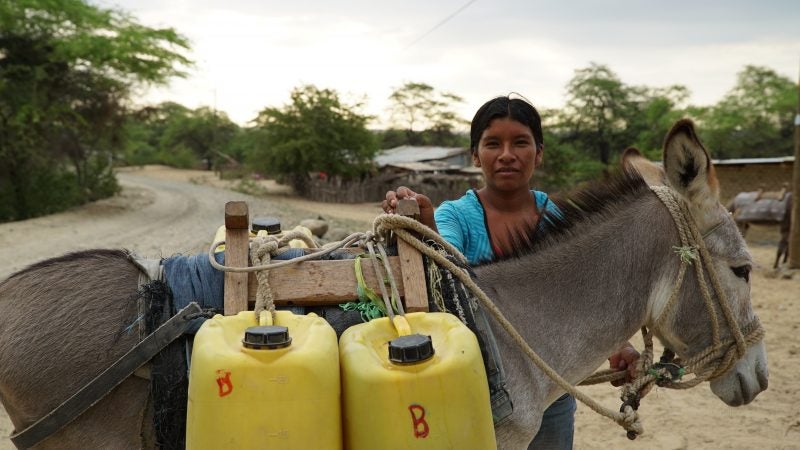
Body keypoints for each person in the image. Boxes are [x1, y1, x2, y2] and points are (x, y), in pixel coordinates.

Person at [382, 94, 639, 449]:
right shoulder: (455, 216)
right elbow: (445, 270)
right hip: (476, 384)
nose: (507, 154)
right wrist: (426, 225)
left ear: (539, 152)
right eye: (493, 144)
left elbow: (582, 292)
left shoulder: (559, 219)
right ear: (475, 155)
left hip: (552, 384)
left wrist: (619, 343)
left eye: (520, 142)